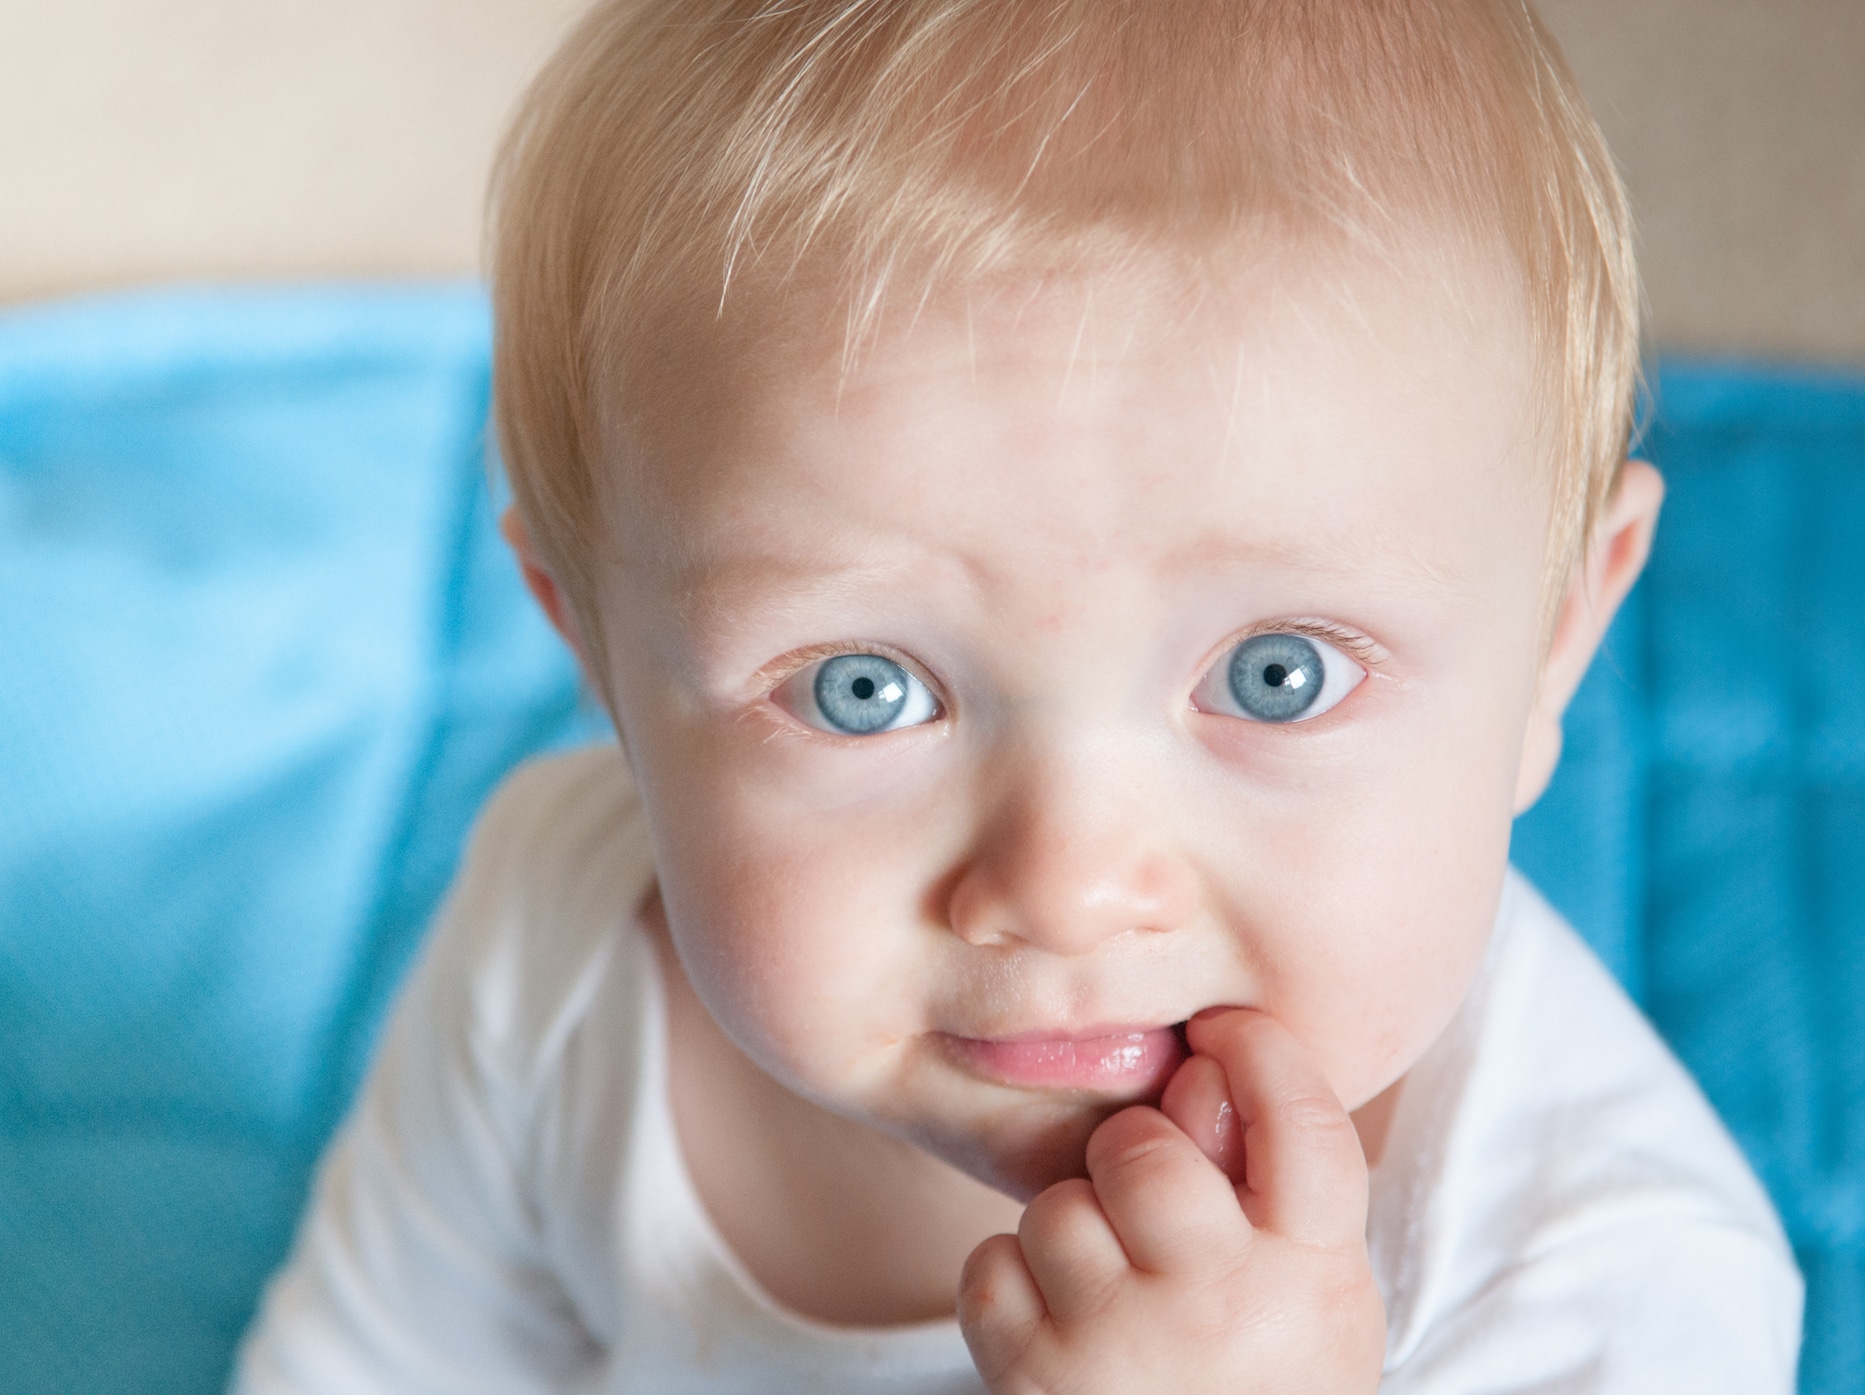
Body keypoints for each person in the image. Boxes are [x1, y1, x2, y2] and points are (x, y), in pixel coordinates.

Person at [232, 1, 1802, 1390]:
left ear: (1555, 645)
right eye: (862, 689)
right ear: (601, 663)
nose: (1065, 888)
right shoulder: (560, 939)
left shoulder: (1599, 1278)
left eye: (1278, 674)